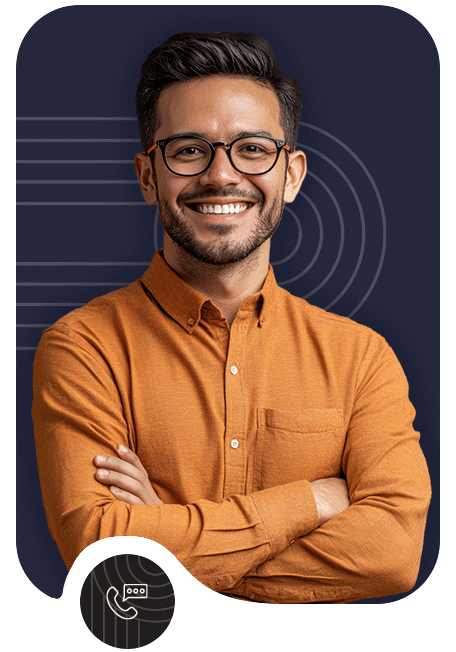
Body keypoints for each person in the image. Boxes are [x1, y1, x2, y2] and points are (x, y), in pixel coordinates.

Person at [32, 31, 432, 604]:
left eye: (252, 148)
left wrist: (165, 538)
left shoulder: (362, 358)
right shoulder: (83, 348)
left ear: (290, 174)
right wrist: (312, 501)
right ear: (149, 176)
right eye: (189, 149)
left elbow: (393, 554)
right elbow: (97, 548)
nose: (221, 176)